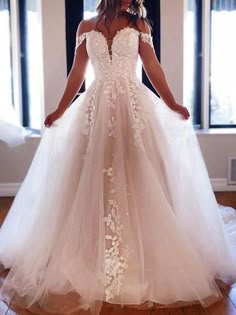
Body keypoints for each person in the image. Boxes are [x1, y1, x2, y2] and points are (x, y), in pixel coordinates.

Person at [1, 0, 236, 314]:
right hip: (95, 108)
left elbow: (153, 68)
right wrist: (59, 109)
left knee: (140, 173)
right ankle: (87, 249)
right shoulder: (86, 26)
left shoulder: (139, 25)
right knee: (89, 175)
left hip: (134, 107)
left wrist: (173, 103)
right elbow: (77, 73)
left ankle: (144, 248)